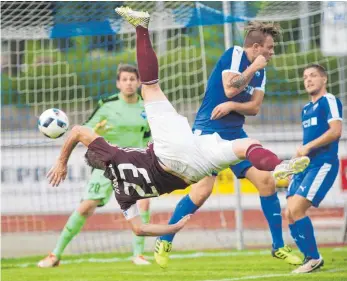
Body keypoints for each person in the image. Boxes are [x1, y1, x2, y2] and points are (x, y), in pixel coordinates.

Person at [44, 7, 309, 262]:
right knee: (151, 88)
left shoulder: (121, 194)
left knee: (256, 168)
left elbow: (138, 228)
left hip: (186, 168)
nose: (271, 52)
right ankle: (141, 28)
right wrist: (61, 161)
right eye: (270, 47)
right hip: (182, 145)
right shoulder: (113, 152)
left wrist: (172, 228)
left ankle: (276, 229)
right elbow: (78, 131)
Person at [155, 21, 302, 268]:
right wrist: (253, 68)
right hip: (208, 131)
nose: (272, 53)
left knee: (266, 181)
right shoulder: (234, 54)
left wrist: (233, 107)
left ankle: (278, 246)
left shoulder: (262, 71)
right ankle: (165, 238)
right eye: (270, 48)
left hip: (235, 134)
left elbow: (254, 107)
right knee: (202, 191)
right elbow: (230, 88)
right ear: (256, 47)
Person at [38, 65, 152, 267]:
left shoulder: (146, 107)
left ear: (138, 82)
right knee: (85, 208)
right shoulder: (107, 106)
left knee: (143, 203)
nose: (129, 83)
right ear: (118, 83)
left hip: (135, 163)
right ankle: (55, 254)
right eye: (124, 79)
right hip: (107, 165)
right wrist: (96, 131)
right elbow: (84, 130)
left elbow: (149, 137)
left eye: (132, 79)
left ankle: (139, 255)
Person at [285, 64, 342, 273]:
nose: (308, 80)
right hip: (305, 166)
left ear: (324, 79)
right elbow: (305, 143)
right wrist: (292, 165)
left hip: (323, 163)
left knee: (297, 208)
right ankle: (308, 258)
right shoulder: (306, 109)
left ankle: (313, 258)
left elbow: (336, 131)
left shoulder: (330, 101)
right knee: (289, 213)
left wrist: (308, 147)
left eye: (313, 76)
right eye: (305, 77)